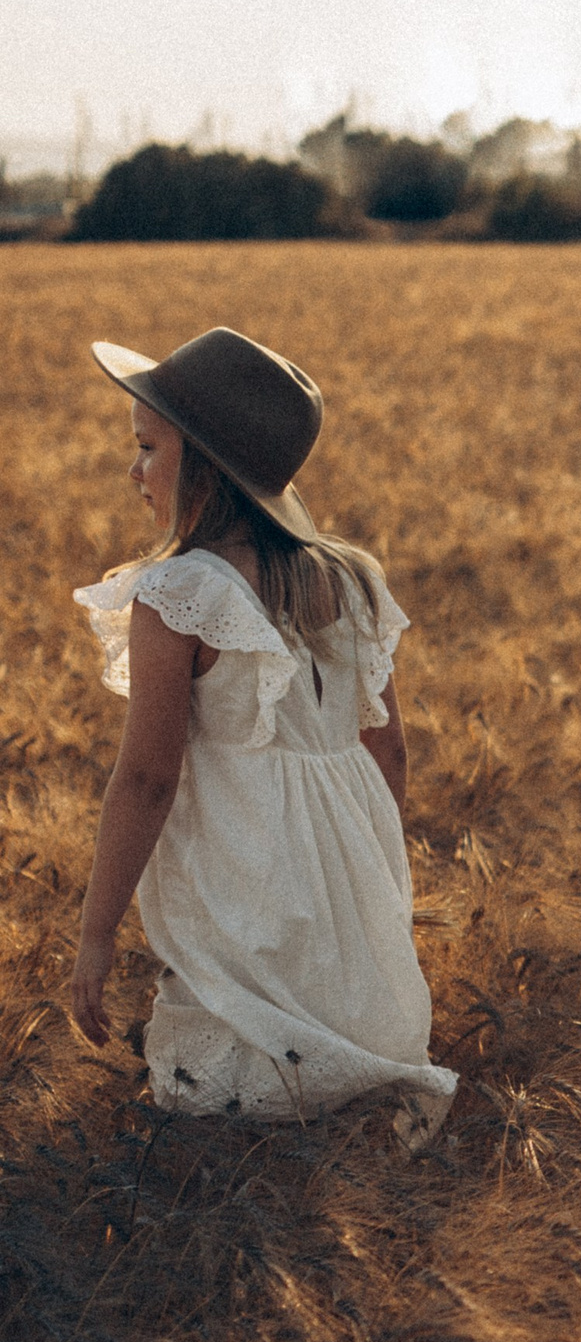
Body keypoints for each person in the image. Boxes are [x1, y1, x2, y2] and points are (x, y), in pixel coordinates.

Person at [68, 327, 458, 1132]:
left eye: (147, 448)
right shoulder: (351, 577)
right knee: (336, 1071)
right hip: (347, 887)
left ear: (203, 467)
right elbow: (389, 746)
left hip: (246, 889)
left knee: (213, 1099)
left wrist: (97, 934)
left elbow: (147, 778)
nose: (132, 470)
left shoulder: (178, 593)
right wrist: (376, 893)